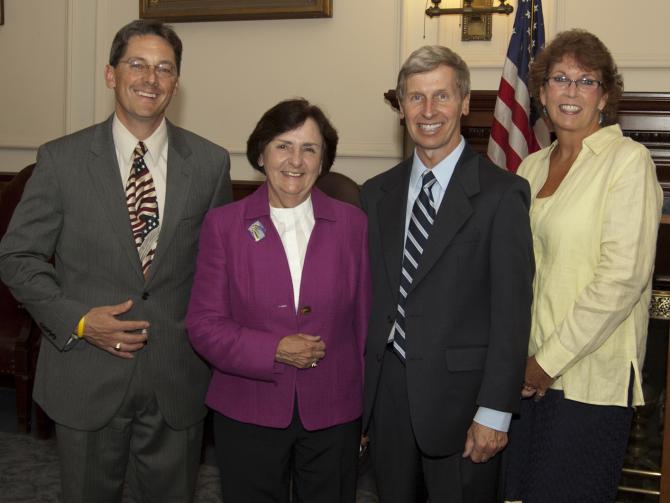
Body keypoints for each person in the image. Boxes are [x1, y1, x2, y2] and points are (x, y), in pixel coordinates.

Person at [0, 19, 232, 503]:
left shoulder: (210, 164)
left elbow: (219, 269)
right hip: (86, 373)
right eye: (138, 65)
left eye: (164, 68)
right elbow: (17, 256)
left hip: (177, 377)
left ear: (176, 82)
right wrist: (79, 321)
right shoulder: (61, 160)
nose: (151, 78)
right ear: (111, 74)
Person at [361, 45, 534, 503]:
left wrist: (495, 412)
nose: (429, 111)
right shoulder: (374, 194)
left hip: (465, 405)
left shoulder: (503, 195)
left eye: (441, 96)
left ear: (464, 101)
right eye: (415, 98)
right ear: (401, 108)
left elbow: (512, 315)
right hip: (388, 400)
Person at [503, 29, 663, 503]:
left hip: (588, 380)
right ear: (543, 91)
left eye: (586, 81)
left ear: (604, 97)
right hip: (523, 374)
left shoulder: (628, 163)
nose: (571, 91)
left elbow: (622, 280)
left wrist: (545, 365)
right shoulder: (530, 167)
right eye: (559, 78)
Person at [186, 98, 371, 503]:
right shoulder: (224, 226)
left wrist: (367, 411)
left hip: (334, 411)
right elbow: (203, 325)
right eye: (283, 145)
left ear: (323, 162)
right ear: (260, 153)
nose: (296, 160)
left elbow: (365, 327)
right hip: (247, 407)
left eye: (310, 149)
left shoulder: (353, 225)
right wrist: (275, 349)